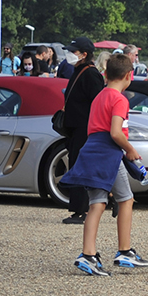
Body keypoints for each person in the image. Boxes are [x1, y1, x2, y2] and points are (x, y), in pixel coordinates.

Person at [59, 53, 148, 276]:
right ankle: (124, 251)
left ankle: (88, 254)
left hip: (90, 150)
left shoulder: (99, 96)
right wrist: (130, 150)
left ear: (105, 74)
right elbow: (115, 132)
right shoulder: (120, 100)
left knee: (96, 203)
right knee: (126, 199)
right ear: (130, 75)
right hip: (108, 153)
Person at [60, 37, 104, 225]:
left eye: (74, 51)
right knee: (76, 167)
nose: (70, 54)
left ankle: (82, 209)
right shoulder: (79, 71)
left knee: (80, 169)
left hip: (85, 129)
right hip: (76, 128)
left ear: (84, 54)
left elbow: (98, 103)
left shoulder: (91, 74)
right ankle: (77, 208)